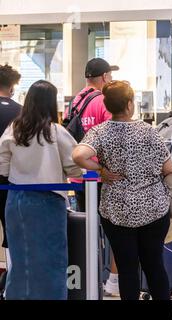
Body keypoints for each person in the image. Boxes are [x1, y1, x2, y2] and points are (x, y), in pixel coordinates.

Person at [72, 80, 172, 300]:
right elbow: (168, 168)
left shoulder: (100, 132)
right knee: (155, 266)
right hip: (154, 210)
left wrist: (101, 170)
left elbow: (78, 155)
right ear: (130, 104)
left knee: (127, 269)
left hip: (117, 211)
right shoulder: (149, 131)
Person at [0, 80, 83, 299]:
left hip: (16, 200)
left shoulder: (14, 128)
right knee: (52, 264)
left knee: (20, 263)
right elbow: (75, 167)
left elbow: (2, 164)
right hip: (48, 202)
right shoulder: (56, 131)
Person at [64, 57, 121, 296]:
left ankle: (90, 280)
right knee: (116, 230)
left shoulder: (75, 101)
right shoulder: (103, 101)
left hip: (80, 178)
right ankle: (113, 282)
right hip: (102, 178)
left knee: (88, 231)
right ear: (105, 77)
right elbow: (114, 135)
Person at [0, 64, 21, 279]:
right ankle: (11, 281)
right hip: (10, 180)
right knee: (11, 230)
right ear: (12, 86)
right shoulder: (21, 111)